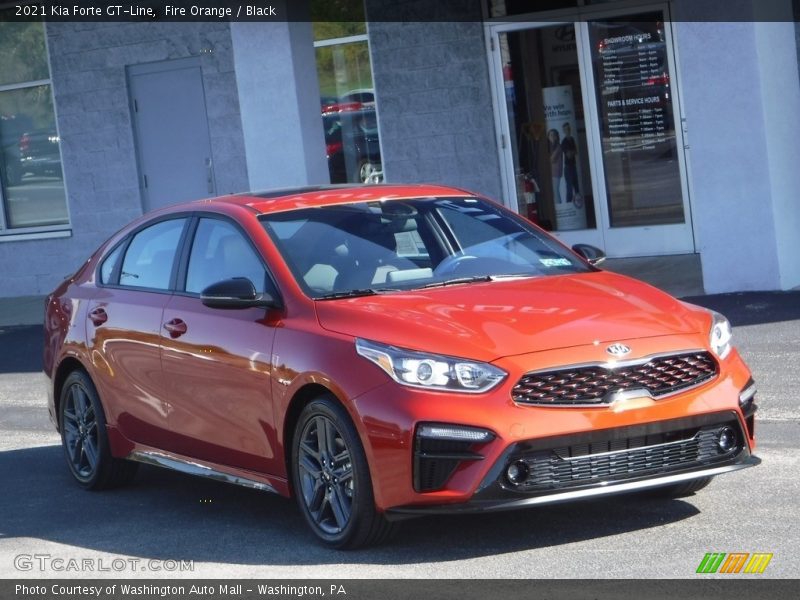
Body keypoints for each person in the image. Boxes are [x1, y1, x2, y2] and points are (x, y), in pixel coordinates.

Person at [561, 122, 580, 204]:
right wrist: (572, 152)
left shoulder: (572, 139)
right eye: (566, 129)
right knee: (569, 188)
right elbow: (569, 155)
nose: (568, 130)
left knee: (576, 187)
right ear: (564, 131)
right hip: (568, 168)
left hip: (573, 166)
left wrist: (571, 152)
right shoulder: (564, 141)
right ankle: (569, 205)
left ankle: (577, 204)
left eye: (568, 129)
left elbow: (576, 152)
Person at [548, 129, 563, 204]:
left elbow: (551, 159)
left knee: (555, 190)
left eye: (554, 135)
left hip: (556, 172)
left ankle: (559, 205)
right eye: (550, 135)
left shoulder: (558, 147)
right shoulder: (551, 147)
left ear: (557, 136)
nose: (552, 137)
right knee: (554, 191)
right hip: (552, 172)